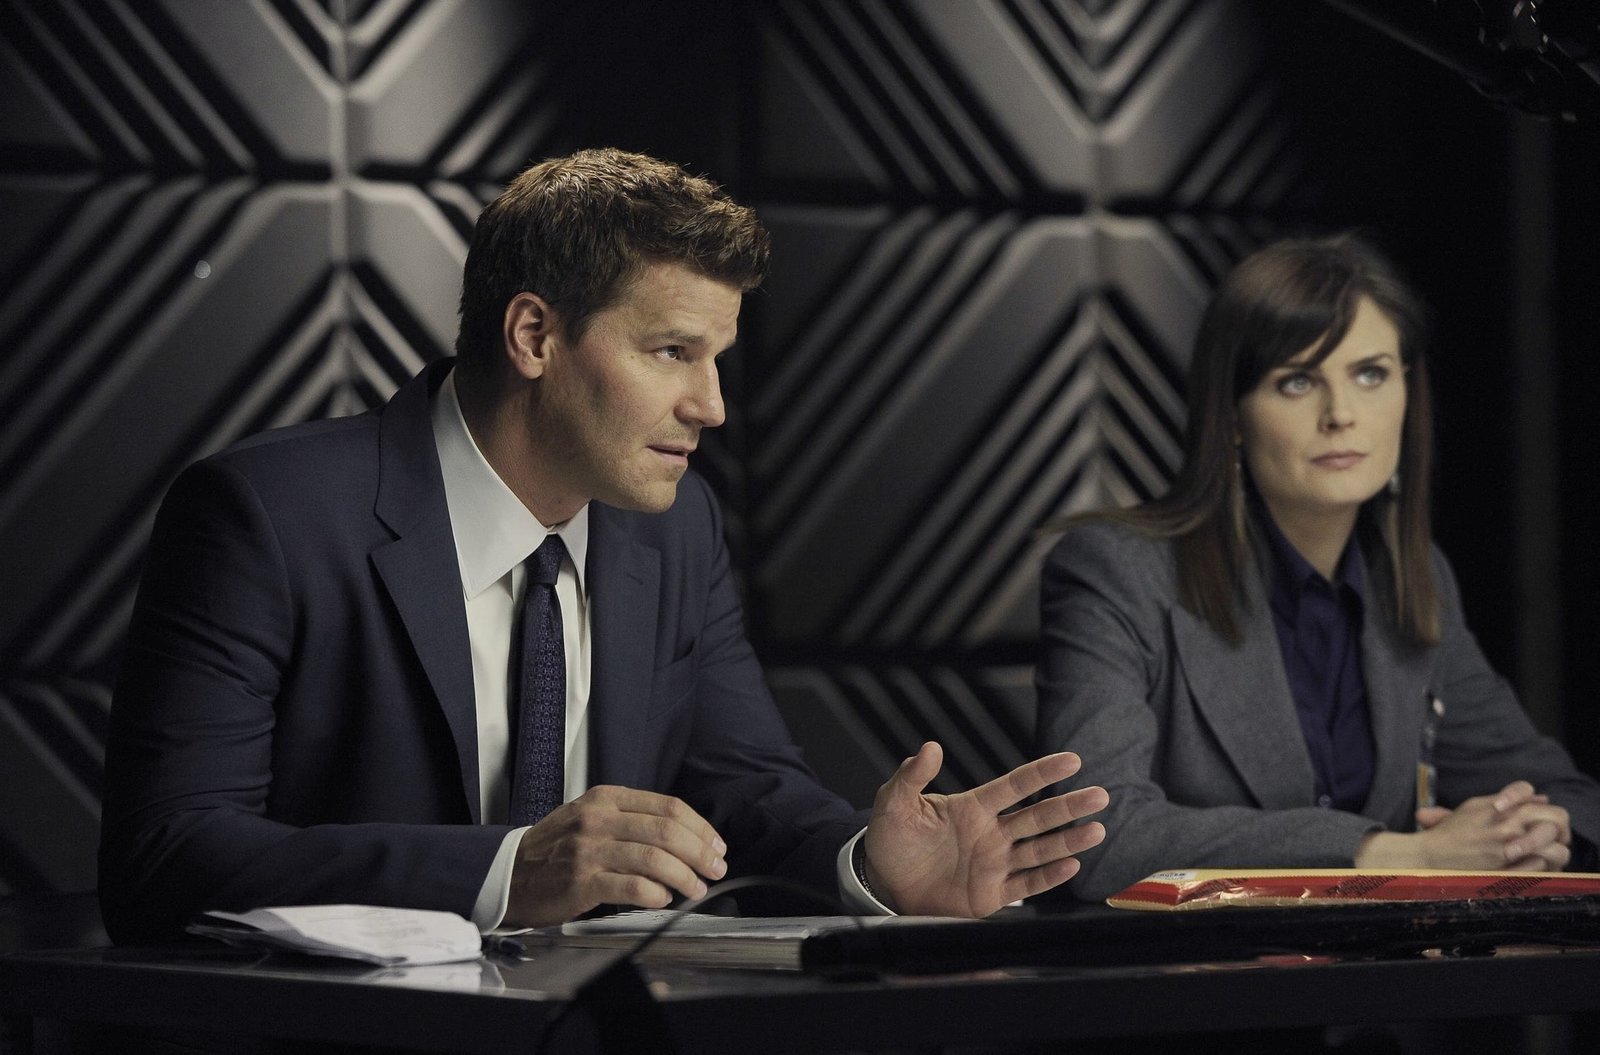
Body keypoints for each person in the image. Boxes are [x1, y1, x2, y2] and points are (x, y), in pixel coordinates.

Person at [99, 148, 1109, 942]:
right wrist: (508, 871)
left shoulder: (676, 526)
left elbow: (746, 792)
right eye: (672, 351)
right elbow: (166, 854)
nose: (711, 405)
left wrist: (872, 866)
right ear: (533, 336)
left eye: (716, 359)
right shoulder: (265, 512)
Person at [1035, 233, 1600, 903]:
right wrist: (1387, 853)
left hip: (1377, 973)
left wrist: (1540, 830)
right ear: (1233, 416)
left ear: (1408, 391)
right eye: (1298, 381)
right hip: (1196, 970)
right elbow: (1087, 835)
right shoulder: (1118, 572)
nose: (1341, 415)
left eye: (1371, 374)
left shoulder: (1412, 577)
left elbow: (1562, 792)